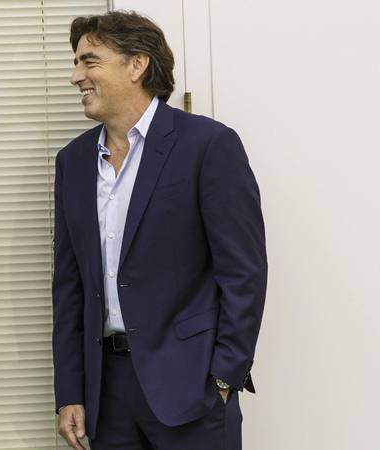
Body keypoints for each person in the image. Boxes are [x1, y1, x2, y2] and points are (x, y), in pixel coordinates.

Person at [52, 10, 267, 450]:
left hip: (191, 389)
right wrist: (71, 391)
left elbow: (244, 273)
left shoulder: (208, 145)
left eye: (89, 62)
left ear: (137, 65)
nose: (75, 77)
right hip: (106, 397)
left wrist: (223, 377)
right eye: (76, 64)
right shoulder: (72, 162)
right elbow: (69, 286)